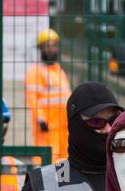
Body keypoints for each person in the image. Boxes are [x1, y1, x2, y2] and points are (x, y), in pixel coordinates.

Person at [25, 28, 71, 167]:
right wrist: (40, 118)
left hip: (63, 124)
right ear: (41, 48)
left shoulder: (59, 70)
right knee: (45, 159)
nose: (52, 49)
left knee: (64, 158)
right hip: (47, 125)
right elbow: (32, 98)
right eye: (48, 45)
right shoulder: (35, 72)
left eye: (54, 45)